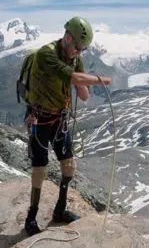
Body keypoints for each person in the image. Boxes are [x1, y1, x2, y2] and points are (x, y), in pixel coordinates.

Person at [23, 16, 112, 236]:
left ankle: (60, 210)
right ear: (67, 37)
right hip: (40, 119)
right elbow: (71, 77)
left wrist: (84, 86)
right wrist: (97, 80)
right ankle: (31, 217)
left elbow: (82, 94)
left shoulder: (75, 58)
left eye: (82, 50)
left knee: (69, 165)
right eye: (77, 48)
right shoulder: (46, 54)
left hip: (59, 118)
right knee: (39, 168)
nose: (78, 53)